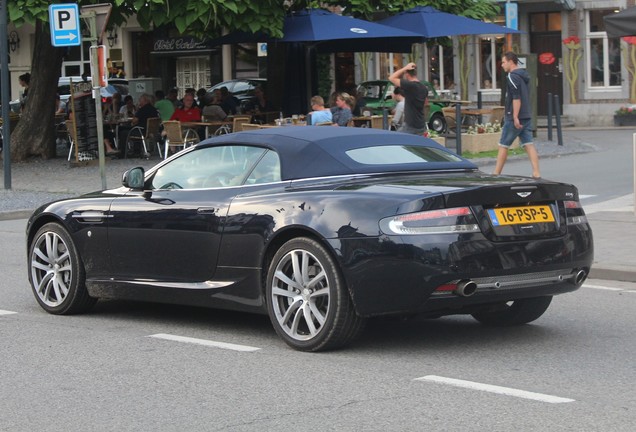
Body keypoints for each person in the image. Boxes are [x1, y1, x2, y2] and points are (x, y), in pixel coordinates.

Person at [493, 51, 541, 179]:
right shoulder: (524, 75)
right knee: (528, 143)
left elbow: (516, 97)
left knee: (503, 145)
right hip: (526, 115)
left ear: (510, 62)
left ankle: (496, 174)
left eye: (503, 62)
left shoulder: (512, 76)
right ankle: (536, 172)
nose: (502, 65)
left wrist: (514, 116)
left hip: (515, 117)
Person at [388, 62, 428, 135]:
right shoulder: (424, 87)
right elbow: (425, 103)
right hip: (421, 125)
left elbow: (391, 78)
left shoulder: (410, 85)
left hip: (410, 125)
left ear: (406, 74)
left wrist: (405, 68)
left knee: (394, 139)